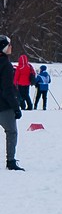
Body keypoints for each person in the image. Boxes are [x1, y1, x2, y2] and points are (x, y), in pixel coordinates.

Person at [0, 35, 22, 170]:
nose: (11, 48)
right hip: (4, 106)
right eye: (9, 45)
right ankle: (11, 161)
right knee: (11, 132)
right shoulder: (6, 65)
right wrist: (16, 107)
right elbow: (7, 89)